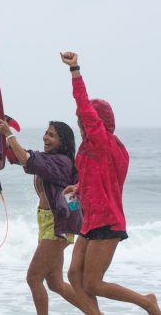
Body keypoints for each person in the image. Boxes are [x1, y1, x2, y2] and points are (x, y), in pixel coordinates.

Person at [60, 52, 161, 315]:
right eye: (80, 122)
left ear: (97, 122)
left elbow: (84, 105)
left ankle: (147, 302)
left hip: (107, 220)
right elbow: (103, 179)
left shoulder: (102, 142)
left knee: (93, 283)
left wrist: (75, 71)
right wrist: (79, 187)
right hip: (91, 219)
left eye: (84, 121)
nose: (81, 124)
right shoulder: (95, 148)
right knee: (73, 275)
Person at [0, 119, 83, 314]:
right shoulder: (49, 158)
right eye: (46, 132)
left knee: (33, 278)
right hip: (48, 221)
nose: (46, 137)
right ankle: (94, 312)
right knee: (55, 283)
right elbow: (23, 158)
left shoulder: (62, 162)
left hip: (58, 223)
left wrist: (9, 134)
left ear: (63, 141)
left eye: (52, 135)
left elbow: (28, 159)